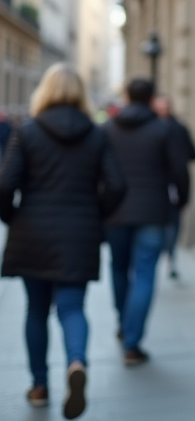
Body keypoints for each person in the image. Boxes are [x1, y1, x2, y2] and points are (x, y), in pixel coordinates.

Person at [0, 64, 126, 417]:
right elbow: (117, 185)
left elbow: (5, 184)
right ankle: (76, 363)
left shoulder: (27, 132)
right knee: (72, 307)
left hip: (33, 231)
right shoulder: (97, 134)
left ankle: (39, 386)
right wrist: (97, 213)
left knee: (36, 310)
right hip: (79, 233)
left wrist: (12, 217)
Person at [104, 78, 191, 366]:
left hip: (115, 212)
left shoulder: (108, 128)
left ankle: (123, 322)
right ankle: (132, 342)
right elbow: (180, 169)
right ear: (152, 98)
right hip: (152, 211)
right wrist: (183, 199)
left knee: (119, 268)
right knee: (144, 274)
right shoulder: (163, 129)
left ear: (127, 96)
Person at [151, 94, 195, 278]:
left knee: (170, 223)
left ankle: (168, 256)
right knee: (171, 223)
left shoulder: (174, 128)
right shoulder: (177, 128)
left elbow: (193, 154)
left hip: (167, 187)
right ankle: (169, 257)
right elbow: (192, 155)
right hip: (165, 187)